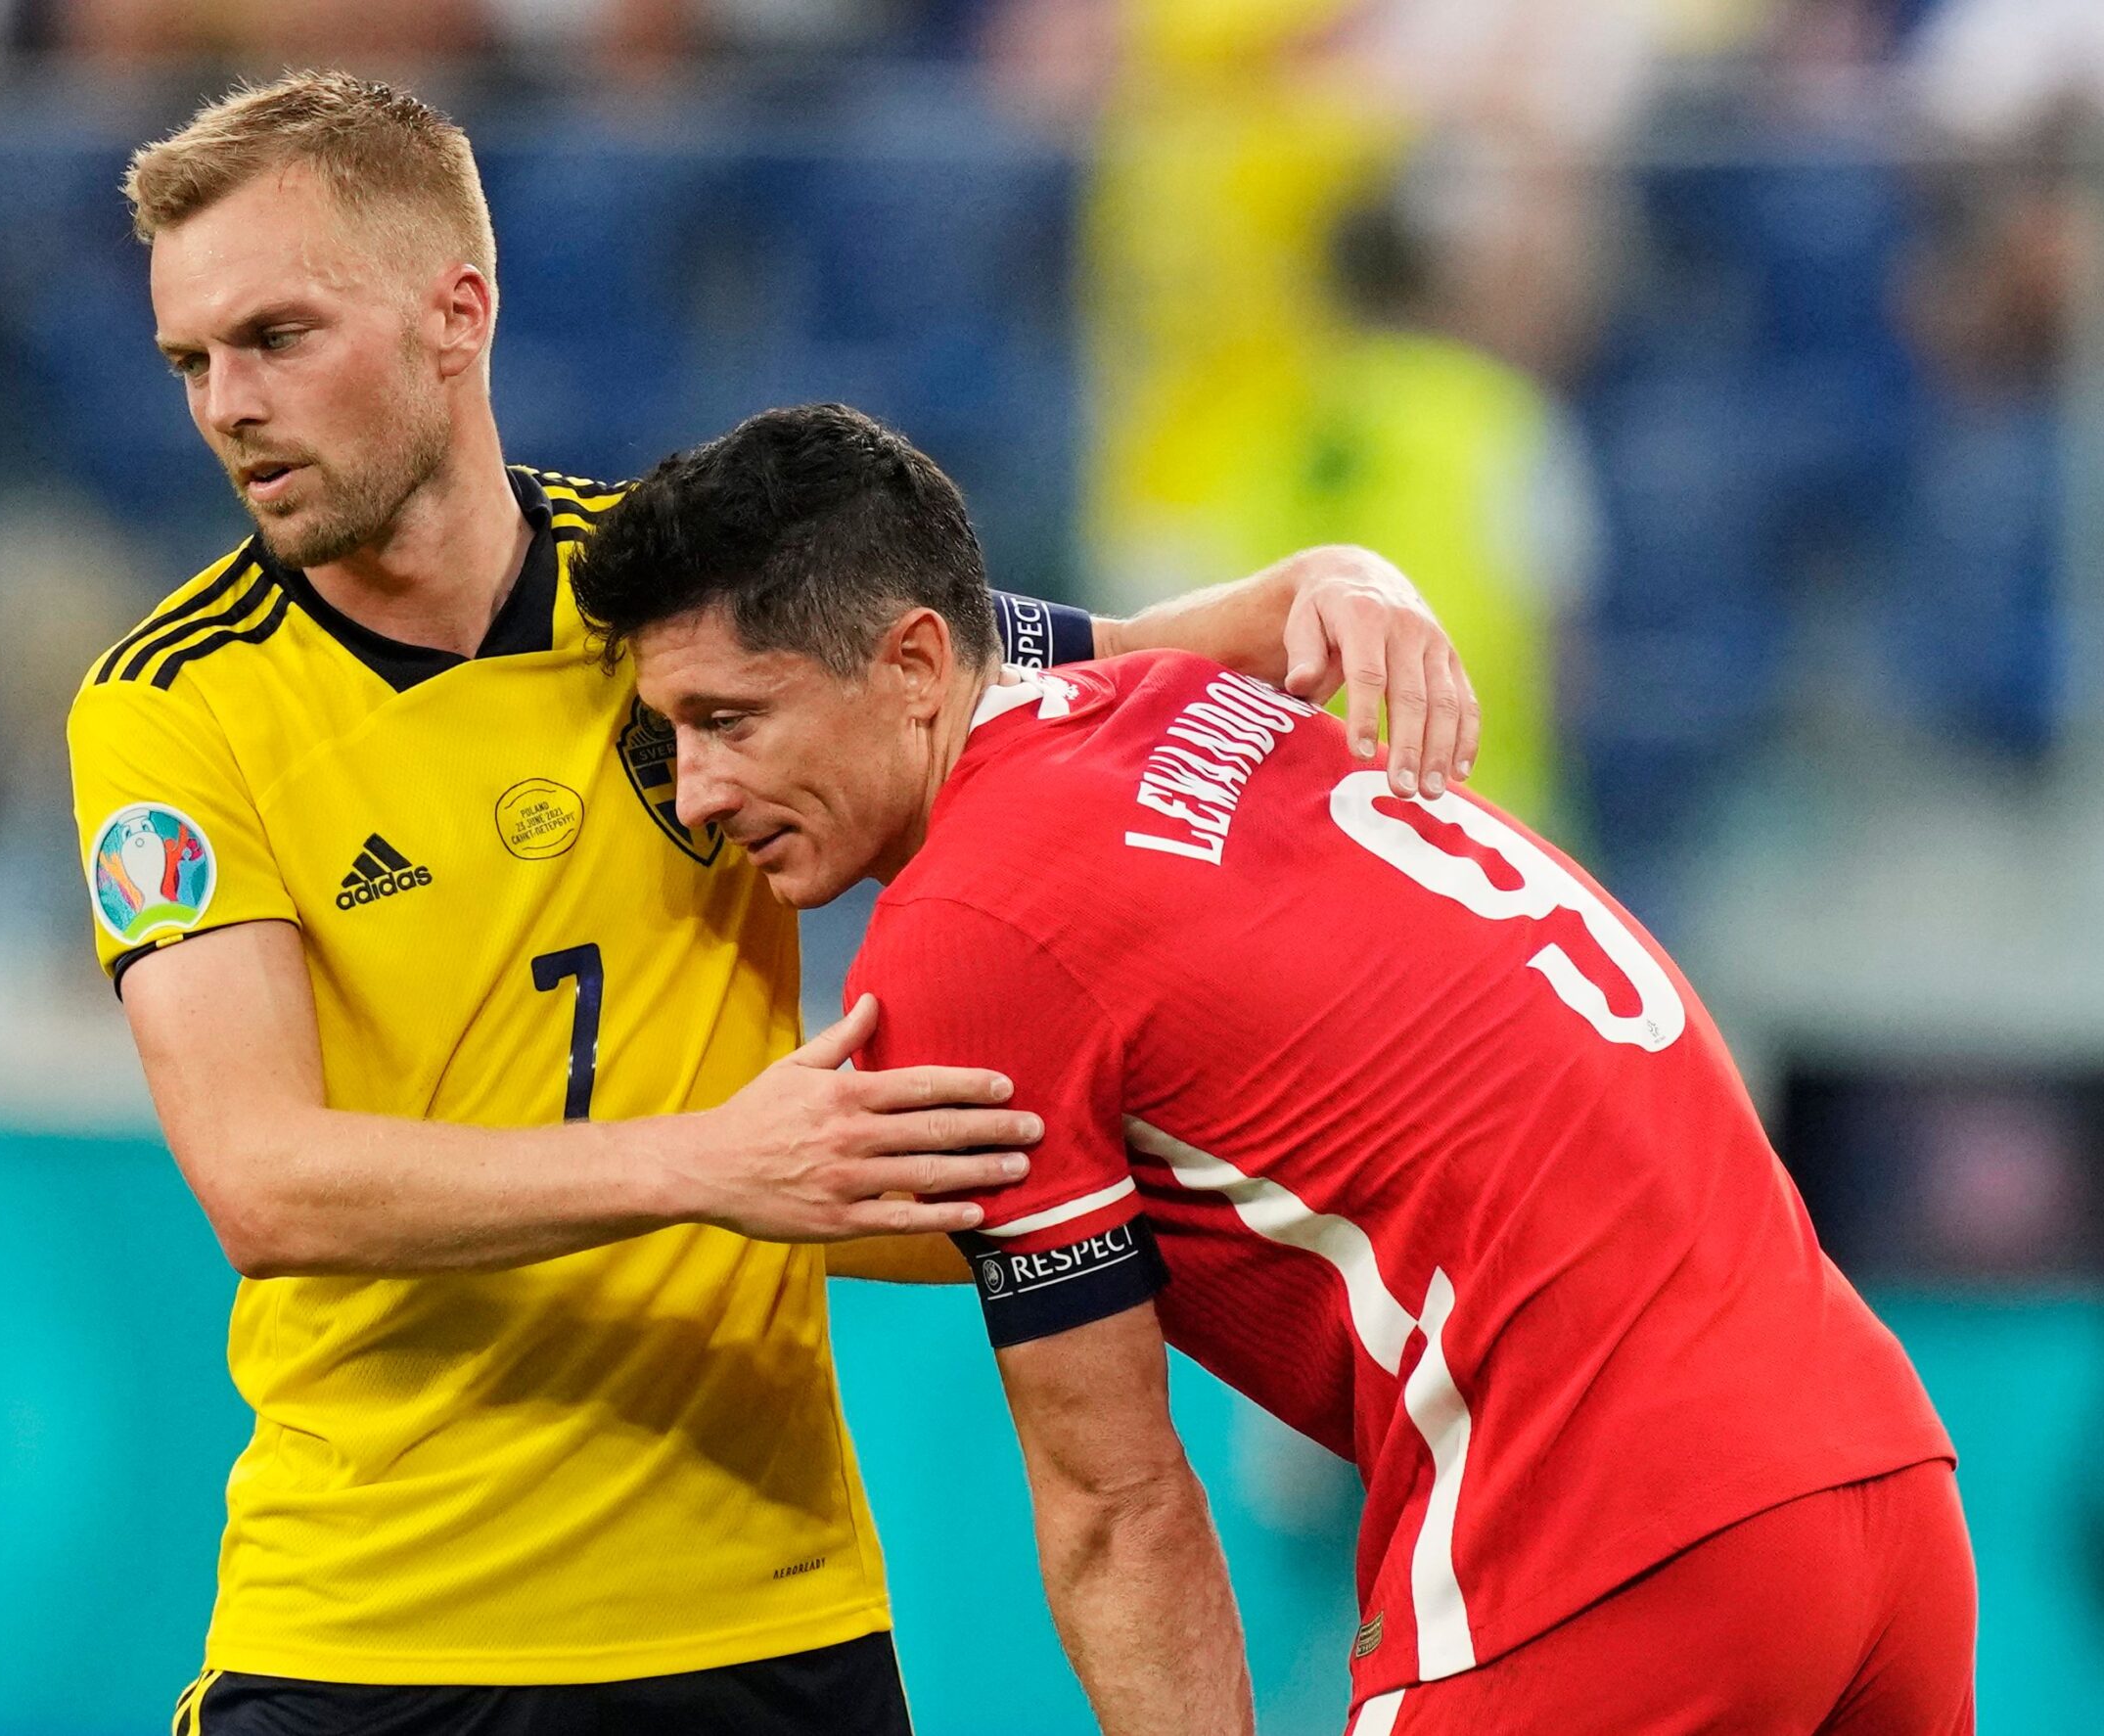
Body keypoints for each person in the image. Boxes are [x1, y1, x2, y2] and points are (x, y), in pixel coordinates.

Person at [69, 72, 1484, 1736]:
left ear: (458, 315)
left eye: (275, 338)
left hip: (765, 1621)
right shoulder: (173, 708)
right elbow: (264, 1179)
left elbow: (1022, 661)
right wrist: (710, 1162)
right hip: (373, 1636)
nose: (228, 407)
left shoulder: (670, 597)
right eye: (192, 361)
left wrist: (1336, 582)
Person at [572, 402, 1974, 1736]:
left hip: (1609, 1525)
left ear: (917, 666)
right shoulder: (1184, 697)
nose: (697, 790)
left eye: (731, 721)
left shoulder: (973, 926)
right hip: (1878, 1475)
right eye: (671, 734)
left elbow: (1118, 1507)